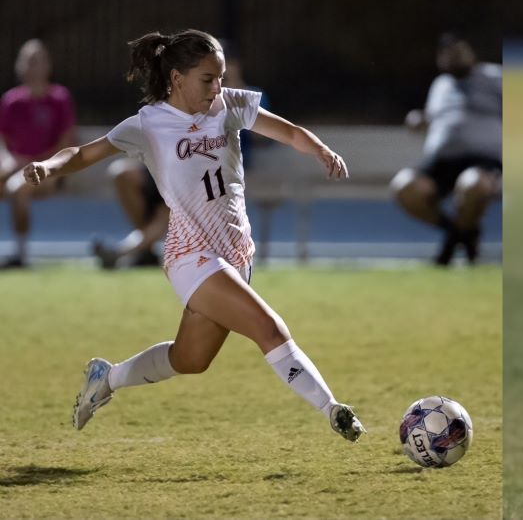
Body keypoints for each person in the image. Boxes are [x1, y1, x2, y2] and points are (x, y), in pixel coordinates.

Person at [20, 29, 365, 443]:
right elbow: (83, 153)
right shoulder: (148, 123)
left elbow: (289, 132)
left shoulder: (228, 104)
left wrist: (321, 150)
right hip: (191, 253)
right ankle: (333, 409)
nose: (217, 87)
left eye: (220, 77)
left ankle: (106, 377)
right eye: (208, 78)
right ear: (178, 78)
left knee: (190, 359)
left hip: (236, 251)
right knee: (268, 328)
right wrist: (48, 166)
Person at [92, 47, 269, 270]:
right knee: (123, 174)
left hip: (215, 176)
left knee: (172, 207)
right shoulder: (197, 95)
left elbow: (262, 136)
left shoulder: (247, 97)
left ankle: (122, 252)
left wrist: (232, 94)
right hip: (177, 164)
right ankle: (145, 251)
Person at [389, 33, 501, 266]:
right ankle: (459, 234)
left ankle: (451, 245)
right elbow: (433, 116)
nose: (455, 58)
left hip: (482, 160)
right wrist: (420, 120)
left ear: (471, 52)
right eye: (448, 55)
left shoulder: (493, 77)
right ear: (441, 60)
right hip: (441, 162)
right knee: (404, 187)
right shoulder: (441, 85)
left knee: (472, 184)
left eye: (459, 52)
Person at [0, 39, 76, 268]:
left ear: (48, 65)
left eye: (37, 61)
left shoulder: (60, 98)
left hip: (49, 172)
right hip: (14, 167)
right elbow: (3, 140)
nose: (32, 67)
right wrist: (7, 160)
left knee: (17, 187)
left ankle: (20, 255)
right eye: (28, 61)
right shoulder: (11, 101)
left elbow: (66, 144)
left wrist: (37, 163)